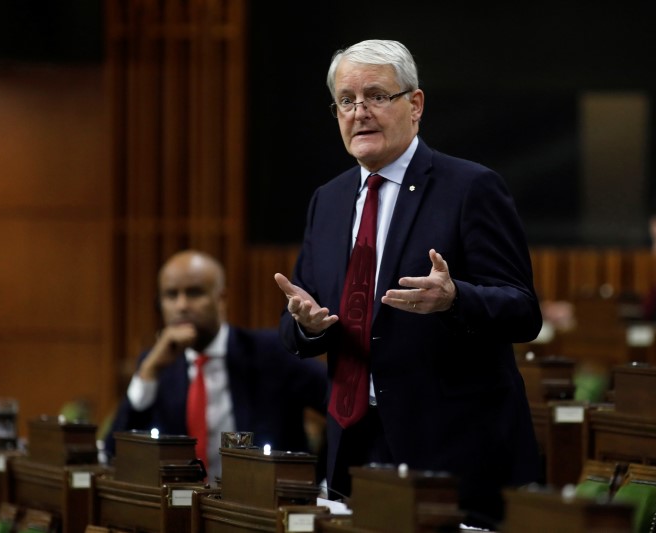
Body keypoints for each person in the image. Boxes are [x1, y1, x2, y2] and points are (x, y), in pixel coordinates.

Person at [273, 39, 542, 527]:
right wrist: (309, 326)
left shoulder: (470, 188)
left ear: (414, 105)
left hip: (451, 446)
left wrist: (456, 298)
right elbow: (295, 325)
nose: (360, 112)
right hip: (354, 441)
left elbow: (523, 311)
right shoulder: (328, 201)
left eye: (376, 96)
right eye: (347, 101)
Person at [105, 250, 329, 483]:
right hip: (183, 510)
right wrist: (148, 373)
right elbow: (114, 452)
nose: (181, 305)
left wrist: (320, 481)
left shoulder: (271, 353)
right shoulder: (157, 365)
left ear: (221, 299)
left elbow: (339, 407)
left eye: (194, 293)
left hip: (264, 508)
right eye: (171, 295)